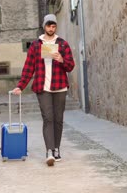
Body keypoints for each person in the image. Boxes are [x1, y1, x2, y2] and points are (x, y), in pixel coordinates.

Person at [12, 14, 75, 167]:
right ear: (44, 26)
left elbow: (71, 66)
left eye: (53, 26)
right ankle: (49, 151)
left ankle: (57, 148)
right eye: (48, 26)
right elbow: (28, 67)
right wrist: (21, 85)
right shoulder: (35, 45)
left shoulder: (63, 44)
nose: (51, 29)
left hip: (60, 87)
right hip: (43, 87)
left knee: (58, 119)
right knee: (48, 118)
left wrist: (61, 59)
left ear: (56, 27)